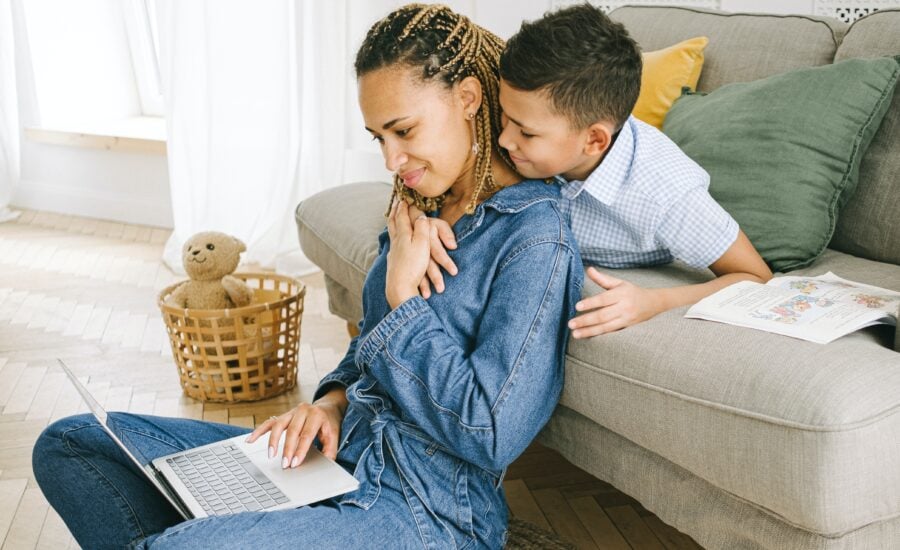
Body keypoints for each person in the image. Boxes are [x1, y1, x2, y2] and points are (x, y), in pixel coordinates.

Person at [31, 4, 582, 549]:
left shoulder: (535, 238)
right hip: (330, 463)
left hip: (427, 507)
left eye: (404, 130)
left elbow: (490, 432)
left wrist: (402, 300)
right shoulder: (419, 209)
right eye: (378, 138)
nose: (391, 160)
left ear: (467, 98)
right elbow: (369, 349)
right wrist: (331, 402)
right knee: (72, 443)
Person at [419, 4, 773, 339]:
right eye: (503, 116)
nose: (505, 139)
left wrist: (655, 301)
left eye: (525, 132)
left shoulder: (666, 192)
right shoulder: (528, 127)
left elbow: (755, 276)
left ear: (594, 141)